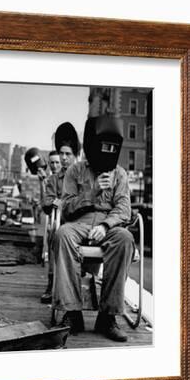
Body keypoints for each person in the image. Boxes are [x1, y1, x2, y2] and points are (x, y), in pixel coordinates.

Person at [52, 115, 134, 342]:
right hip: (79, 222)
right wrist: (91, 191)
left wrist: (106, 225)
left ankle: (107, 317)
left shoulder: (119, 174)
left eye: (111, 147)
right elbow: (67, 208)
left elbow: (124, 209)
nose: (106, 151)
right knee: (62, 235)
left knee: (125, 239)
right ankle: (72, 311)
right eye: (102, 146)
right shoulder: (75, 171)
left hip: (109, 224)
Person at [39, 124, 80, 303]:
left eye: (68, 154)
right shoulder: (55, 179)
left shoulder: (83, 176)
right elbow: (47, 202)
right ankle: (51, 282)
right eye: (61, 154)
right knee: (53, 233)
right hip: (61, 222)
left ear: (75, 155)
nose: (63, 158)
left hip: (80, 222)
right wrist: (56, 203)